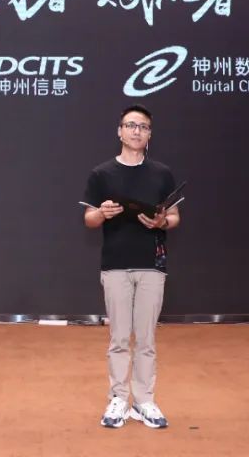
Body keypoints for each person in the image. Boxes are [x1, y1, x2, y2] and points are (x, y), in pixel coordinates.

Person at [83, 104, 180, 429]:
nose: (137, 131)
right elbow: (89, 218)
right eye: (131, 125)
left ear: (149, 134)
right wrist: (102, 213)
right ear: (120, 131)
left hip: (152, 263)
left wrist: (162, 221)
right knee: (120, 337)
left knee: (147, 338)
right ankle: (118, 399)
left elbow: (175, 217)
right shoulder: (102, 174)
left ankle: (144, 401)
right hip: (115, 264)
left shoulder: (162, 174)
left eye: (143, 127)